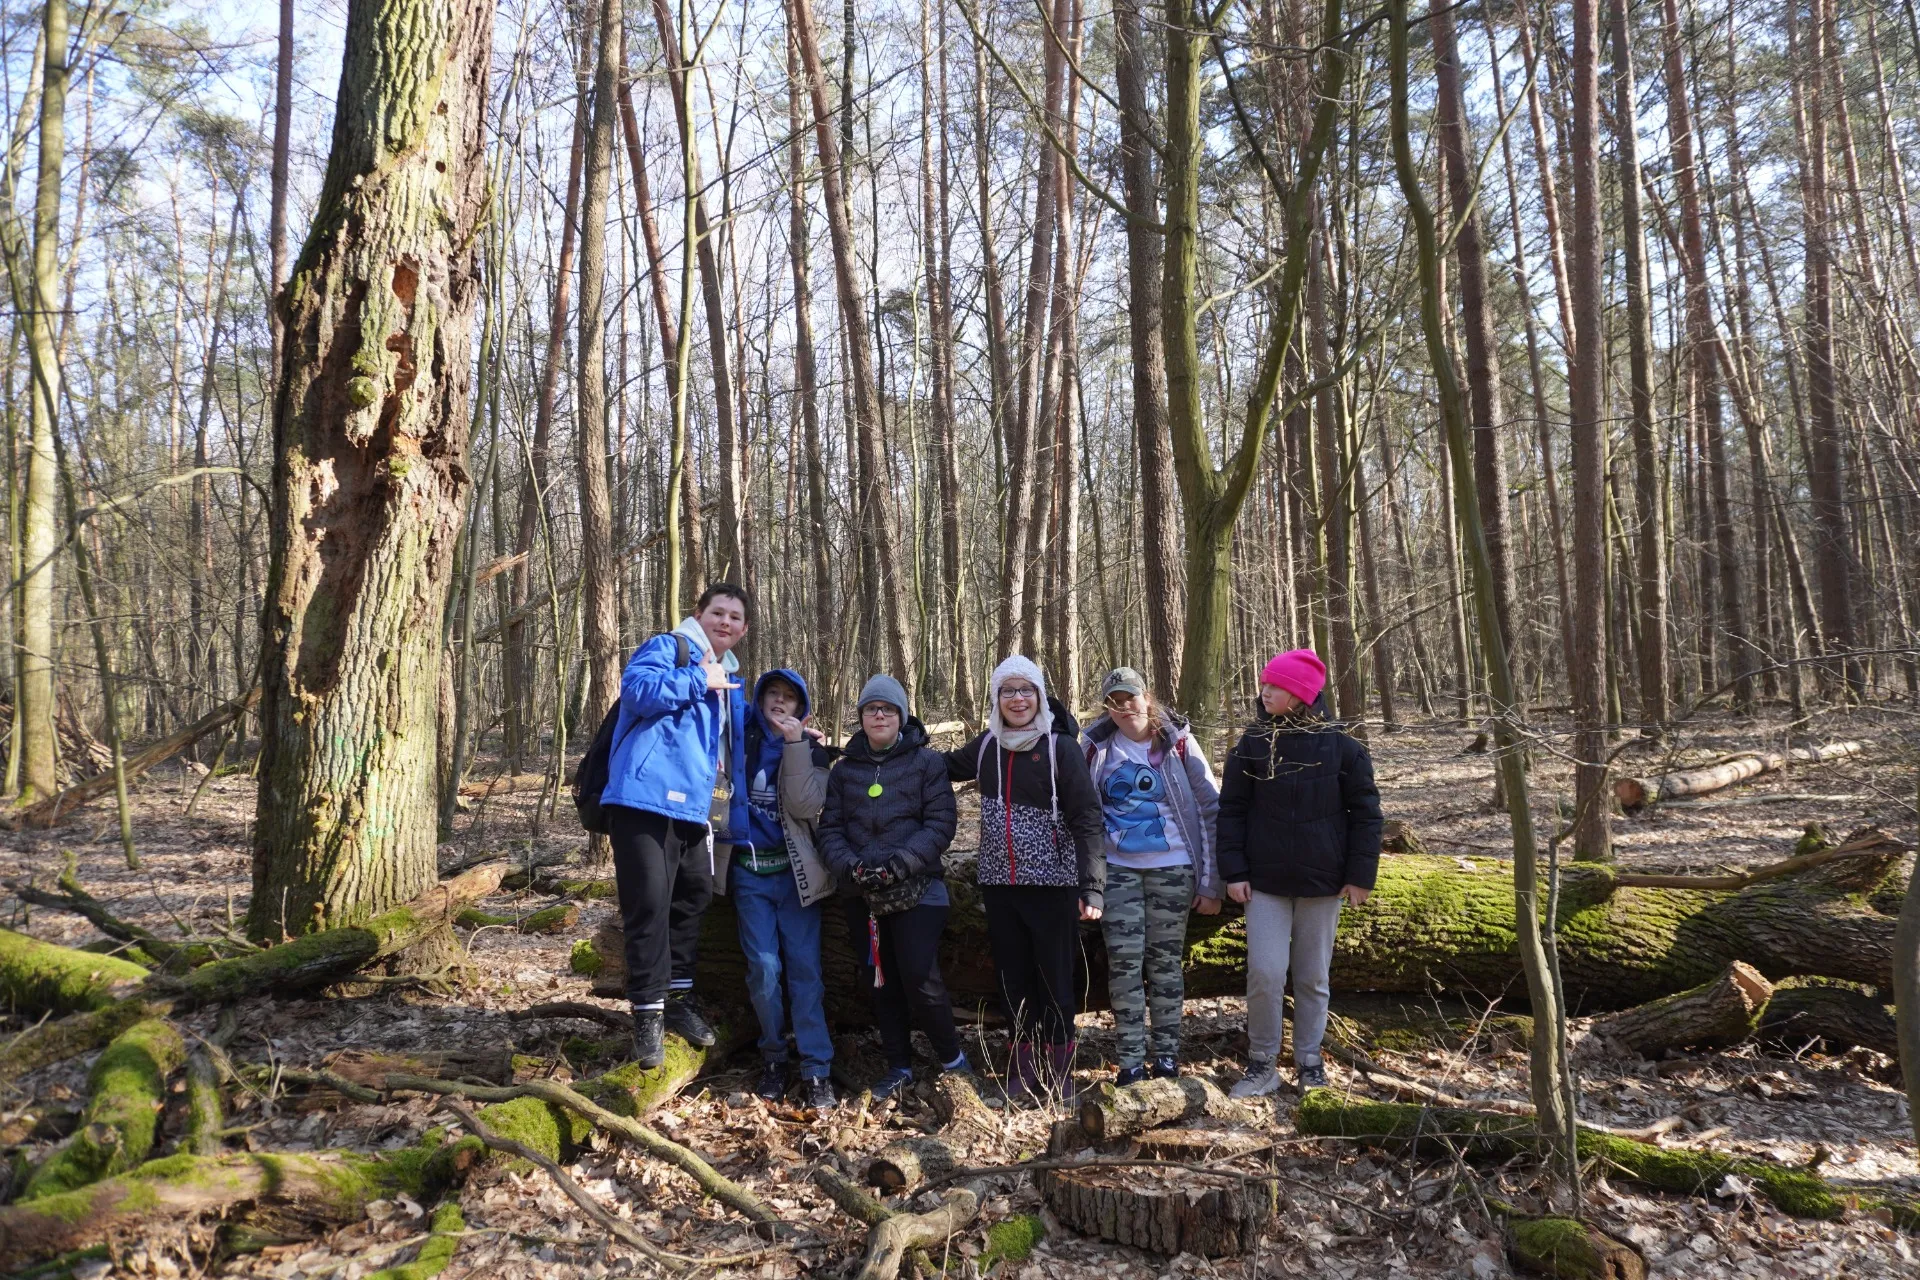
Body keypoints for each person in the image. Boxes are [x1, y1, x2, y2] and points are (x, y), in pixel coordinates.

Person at [1217, 648, 1382, 1097]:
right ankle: (1262, 1063)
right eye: (1264, 684)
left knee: (1312, 978)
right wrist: (1234, 870)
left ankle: (1310, 1062)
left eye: (1275, 685)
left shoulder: (1343, 747)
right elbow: (1231, 811)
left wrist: (1360, 875)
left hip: (1323, 884)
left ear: (1301, 695)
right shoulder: (1252, 744)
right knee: (1265, 974)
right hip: (1264, 884)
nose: (1264, 692)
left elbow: (1367, 814)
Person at [601, 584, 750, 1068]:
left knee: (692, 900)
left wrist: (793, 734)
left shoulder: (729, 678)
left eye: (734, 617)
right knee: (649, 904)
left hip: (695, 809)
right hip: (643, 799)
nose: (725, 622)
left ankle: (678, 1001)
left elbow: (737, 738)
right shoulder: (671, 648)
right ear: (698, 614)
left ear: (743, 630)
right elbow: (637, 691)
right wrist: (698, 677)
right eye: (717, 612)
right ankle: (647, 1014)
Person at [944, 656, 1105, 1102]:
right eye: (1008, 691)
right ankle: (1022, 1065)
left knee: (1054, 979)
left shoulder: (1060, 748)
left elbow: (1087, 817)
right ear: (997, 699)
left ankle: (1059, 1069)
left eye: (1026, 690)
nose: (1018, 699)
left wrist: (1092, 885)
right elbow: (938, 767)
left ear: (1039, 696)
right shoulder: (986, 746)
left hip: (1054, 885)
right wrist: (901, 737)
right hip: (1000, 886)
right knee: (1013, 980)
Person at [817, 674, 970, 1100]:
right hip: (862, 895)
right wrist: (851, 867)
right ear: (862, 717)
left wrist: (900, 865)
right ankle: (899, 1066)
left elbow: (941, 824)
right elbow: (830, 829)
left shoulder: (927, 763)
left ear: (901, 716)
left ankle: (954, 1062)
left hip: (918, 889)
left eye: (887, 709)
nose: (879, 715)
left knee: (920, 976)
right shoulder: (844, 771)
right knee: (880, 982)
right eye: (871, 709)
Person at [1082, 667, 1222, 1085]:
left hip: (1173, 869)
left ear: (1147, 697)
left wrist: (1210, 882)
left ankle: (1166, 1058)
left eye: (1131, 697)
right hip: (1117, 871)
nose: (1125, 707)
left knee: (1164, 964)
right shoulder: (1094, 747)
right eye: (1115, 701)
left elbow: (1210, 809)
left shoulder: (1178, 744)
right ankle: (1129, 1062)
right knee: (1124, 964)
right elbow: (1080, 817)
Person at [714, 669, 838, 1109]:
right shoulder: (739, 739)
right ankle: (773, 1058)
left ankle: (817, 1068)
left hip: (796, 877)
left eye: (789, 697)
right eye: (772, 693)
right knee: (764, 970)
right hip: (749, 873)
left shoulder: (814, 750)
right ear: (760, 698)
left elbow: (806, 806)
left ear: (801, 708)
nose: (780, 702)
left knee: (806, 972)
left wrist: (795, 745)